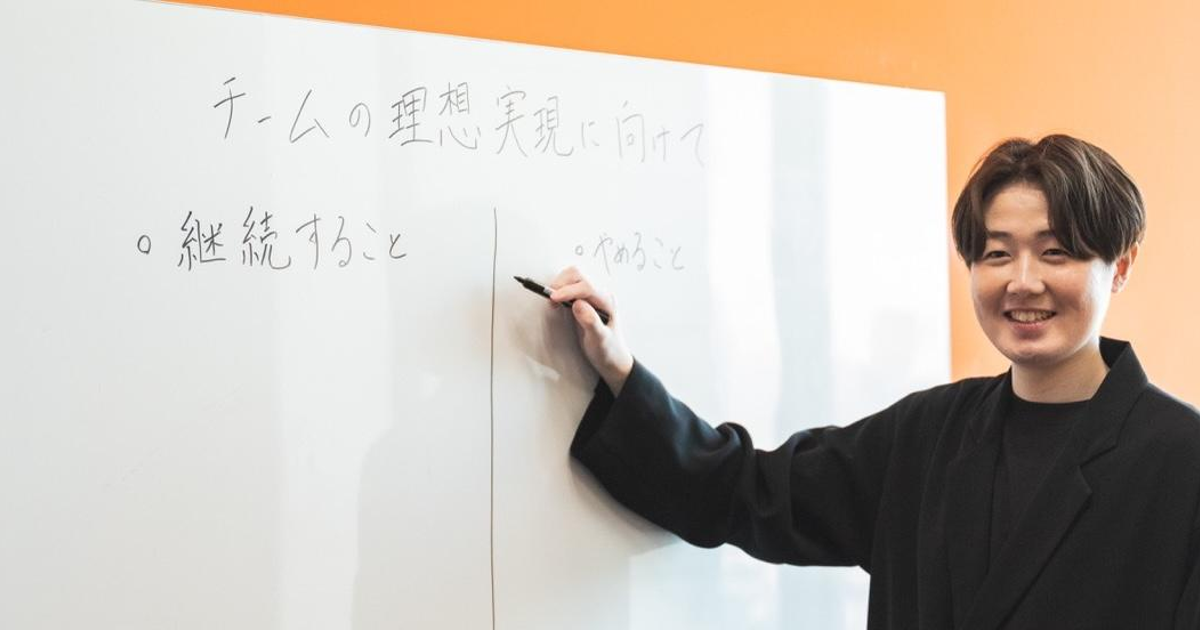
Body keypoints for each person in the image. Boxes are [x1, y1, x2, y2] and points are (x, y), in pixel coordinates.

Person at [547, 134, 1200, 629]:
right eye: (997, 253)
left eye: (1055, 252)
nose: (1022, 281)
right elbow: (746, 491)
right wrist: (618, 367)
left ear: (1119, 267)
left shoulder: (1181, 459)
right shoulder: (928, 434)